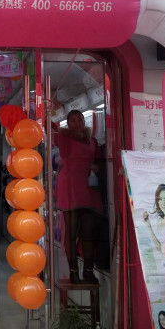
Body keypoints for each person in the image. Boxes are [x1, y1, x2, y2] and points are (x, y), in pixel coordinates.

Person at [55, 110, 104, 284]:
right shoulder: (64, 138)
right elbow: (51, 129)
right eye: (73, 120)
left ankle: (88, 271)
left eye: (80, 119)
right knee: (71, 233)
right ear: (68, 124)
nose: (78, 123)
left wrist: (97, 166)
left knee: (88, 233)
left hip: (88, 188)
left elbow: (99, 160)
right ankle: (73, 271)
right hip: (69, 188)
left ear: (84, 121)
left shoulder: (93, 141)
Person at [143, 184, 165, 255]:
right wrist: (149, 225)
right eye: (160, 199)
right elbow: (160, 248)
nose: (163, 203)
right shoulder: (159, 220)